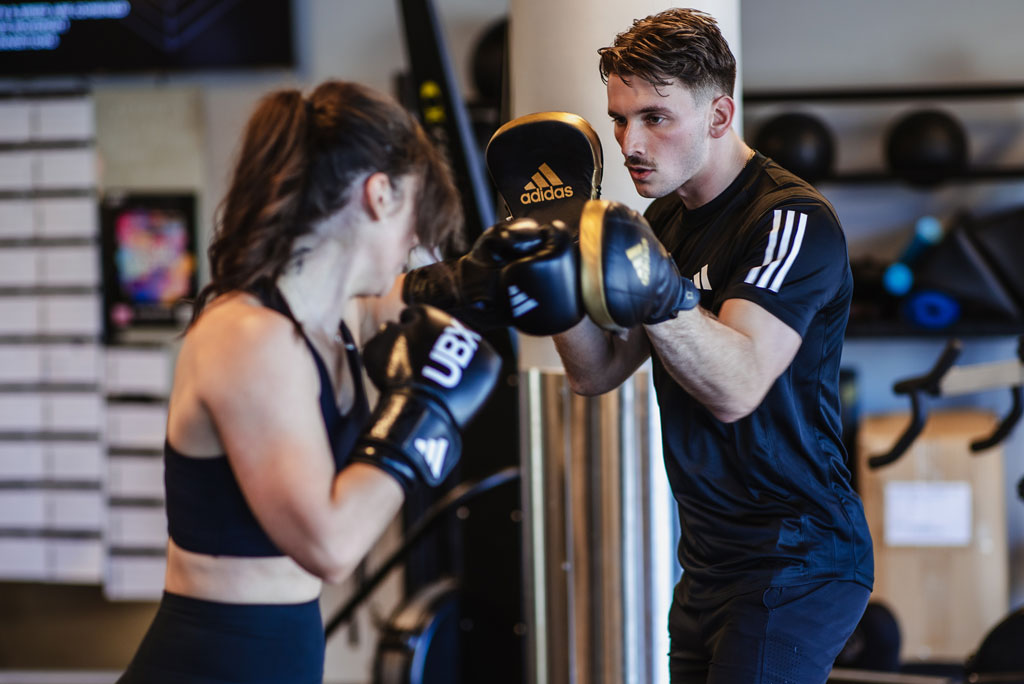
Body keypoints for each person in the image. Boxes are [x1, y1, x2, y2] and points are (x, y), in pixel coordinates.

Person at [117, 80, 502, 684]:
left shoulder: (335, 316)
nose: (415, 245)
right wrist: (423, 413)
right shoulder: (250, 337)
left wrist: (507, 278)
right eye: (413, 218)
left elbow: (428, 286)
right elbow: (330, 547)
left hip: (281, 652)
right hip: (215, 663)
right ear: (380, 194)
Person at [550, 9, 874, 683]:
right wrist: (551, 270)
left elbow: (737, 386)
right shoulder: (661, 221)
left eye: (655, 118)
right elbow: (597, 370)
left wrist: (657, 288)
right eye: (618, 118)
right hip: (707, 560)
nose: (629, 142)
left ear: (720, 117)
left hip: (798, 554)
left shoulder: (790, 221)